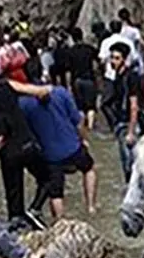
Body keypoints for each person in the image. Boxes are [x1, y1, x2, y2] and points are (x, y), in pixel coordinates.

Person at [0, 57, 49, 230]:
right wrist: (50, 90)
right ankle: (35, 208)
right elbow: (37, 91)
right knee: (48, 178)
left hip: (5, 149)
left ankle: (16, 225)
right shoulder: (5, 86)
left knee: (13, 192)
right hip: (25, 142)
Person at [16, 84, 97, 217]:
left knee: (56, 193)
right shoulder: (61, 93)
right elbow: (78, 121)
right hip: (73, 146)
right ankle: (91, 207)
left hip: (50, 155)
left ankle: (60, 223)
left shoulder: (23, 104)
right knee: (89, 169)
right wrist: (84, 139)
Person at [101, 42, 143, 183]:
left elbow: (134, 105)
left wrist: (131, 130)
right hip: (121, 122)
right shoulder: (118, 75)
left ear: (124, 59)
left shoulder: (130, 77)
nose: (113, 61)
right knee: (127, 163)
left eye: (117, 58)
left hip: (128, 123)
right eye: (112, 58)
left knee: (131, 164)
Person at [64, 28, 99, 130]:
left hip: (77, 80)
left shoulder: (70, 52)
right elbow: (96, 64)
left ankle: (82, 126)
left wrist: (68, 85)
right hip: (89, 79)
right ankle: (91, 127)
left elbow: (68, 71)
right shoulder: (89, 49)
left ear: (72, 38)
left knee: (80, 106)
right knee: (91, 106)